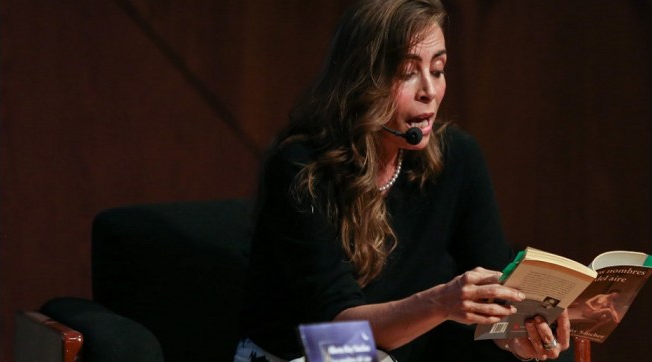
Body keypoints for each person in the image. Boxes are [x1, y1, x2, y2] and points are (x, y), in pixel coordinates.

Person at [235, 0, 571, 361]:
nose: (429, 90)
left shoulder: (457, 156)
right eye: (408, 73)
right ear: (364, 80)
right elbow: (338, 334)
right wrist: (440, 302)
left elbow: (493, 277)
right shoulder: (301, 167)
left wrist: (514, 336)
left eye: (438, 69)